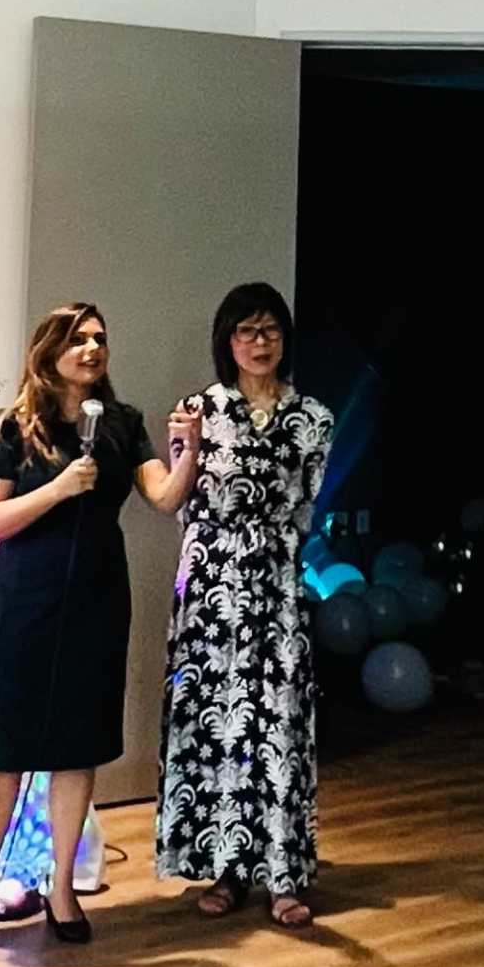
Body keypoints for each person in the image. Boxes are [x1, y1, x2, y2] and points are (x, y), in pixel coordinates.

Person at [0, 304, 197, 955]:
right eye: (78, 339)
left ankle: (62, 885)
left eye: (100, 339)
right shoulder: (14, 427)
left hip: (97, 598)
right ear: (49, 351)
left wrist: (188, 451)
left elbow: (165, 498)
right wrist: (59, 488)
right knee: (6, 752)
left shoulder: (121, 424)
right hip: (26, 600)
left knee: (76, 749)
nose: (93, 348)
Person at [155, 284, 337, 930]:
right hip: (210, 587)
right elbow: (178, 496)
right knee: (218, 726)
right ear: (226, 340)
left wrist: (275, 554)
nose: (260, 343)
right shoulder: (198, 411)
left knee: (278, 723)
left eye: (270, 330)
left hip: (277, 582)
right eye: (246, 331)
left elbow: (307, 506)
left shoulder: (314, 419)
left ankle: (284, 874)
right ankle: (225, 868)